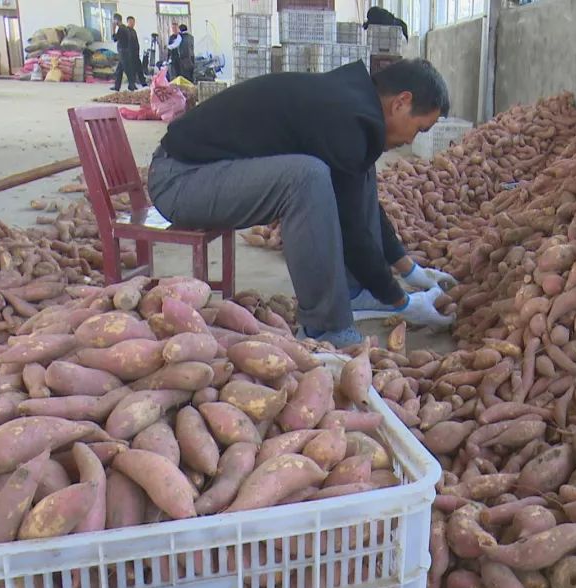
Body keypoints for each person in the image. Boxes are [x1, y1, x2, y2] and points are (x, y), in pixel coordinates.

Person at [148, 59, 455, 348]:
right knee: (306, 177)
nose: (413, 140)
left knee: (355, 167)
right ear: (401, 102)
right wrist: (401, 302)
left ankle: (353, 292)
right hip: (181, 181)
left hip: (203, 174)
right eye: (420, 128)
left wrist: (411, 271)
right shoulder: (343, 115)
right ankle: (324, 326)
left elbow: (355, 202)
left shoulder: (354, 109)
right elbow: (351, 228)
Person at [110, 13, 137, 91]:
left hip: (123, 52)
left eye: (114, 20)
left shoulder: (121, 29)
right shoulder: (124, 28)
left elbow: (115, 39)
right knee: (119, 70)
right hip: (125, 51)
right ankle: (117, 86)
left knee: (127, 70)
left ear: (116, 20)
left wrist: (113, 29)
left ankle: (132, 85)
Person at [126, 16, 145, 86]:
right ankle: (132, 85)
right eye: (130, 22)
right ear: (127, 22)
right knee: (132, 70)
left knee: (139, 69)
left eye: (133, 22)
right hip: (130, 54)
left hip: (136, 54)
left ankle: (143, 83)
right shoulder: (126, 31)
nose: (132, 23)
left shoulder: (133, 31)